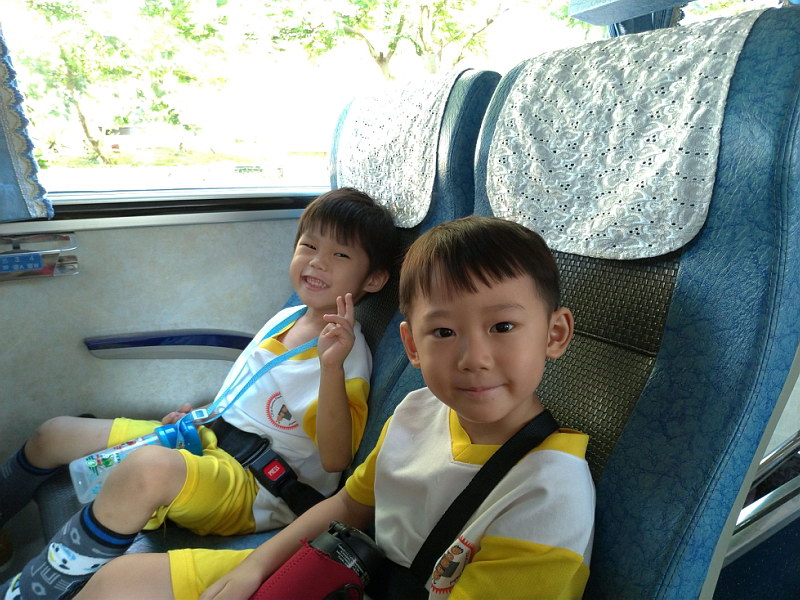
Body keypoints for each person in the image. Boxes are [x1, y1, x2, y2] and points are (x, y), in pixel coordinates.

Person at [73, 215, 596, 600]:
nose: (473, 358)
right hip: (342, 572)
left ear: (555, 334)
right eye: (443, 332)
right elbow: (349, 505)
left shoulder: (550, 494)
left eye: (502, 326)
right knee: (118, 583)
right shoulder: (417, 411)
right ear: (412, 347)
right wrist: (256, 567)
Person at [0, 187, 400, 600]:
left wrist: (331, 369)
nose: (317, 261)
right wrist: (204, 415)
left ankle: (34, 591)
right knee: (55, 434)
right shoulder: (289, 316)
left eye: (340, 254)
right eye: (309, 246)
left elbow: (336, 458)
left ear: (373, 279)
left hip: (256, 486)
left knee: (147, 470)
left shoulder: (346, 359)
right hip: (208, 438)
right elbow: (250, 396)